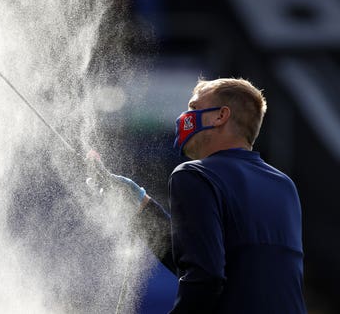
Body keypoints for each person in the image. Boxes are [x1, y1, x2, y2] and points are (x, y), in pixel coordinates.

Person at [87, 77, 306, 313]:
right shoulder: (284, 185)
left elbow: (205, 277)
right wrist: (140, 206)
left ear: (220, 116)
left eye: (193, 107)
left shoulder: (194, 174)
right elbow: (211, 262)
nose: (184, 117)